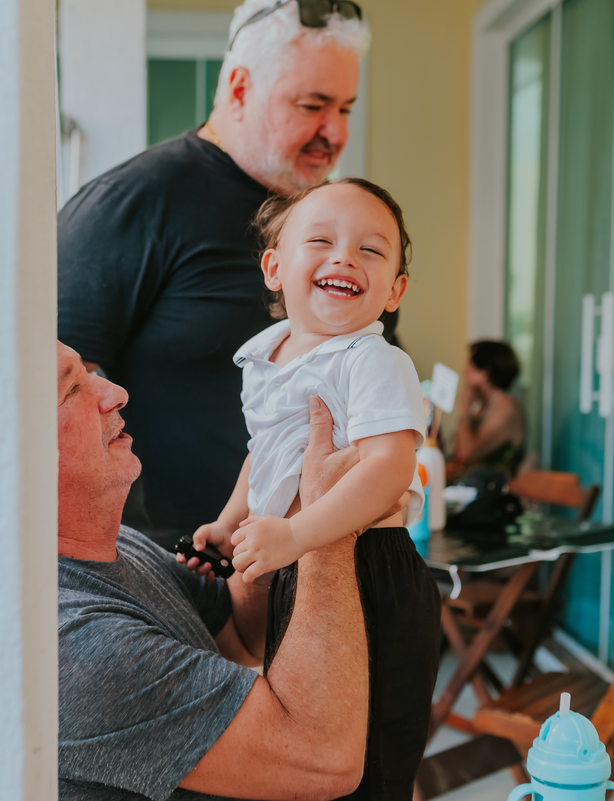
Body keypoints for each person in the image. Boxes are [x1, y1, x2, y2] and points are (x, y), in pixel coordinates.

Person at [56, 0, 393, 551]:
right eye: (312, 105)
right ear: (238, 89)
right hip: (186, 567)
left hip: (327, 559)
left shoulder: (330, 223)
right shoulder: (133, 202)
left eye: (346, 109)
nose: (332, 132)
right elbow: (57, 392)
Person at [188, 179, 441, 800]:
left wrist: (297, 532)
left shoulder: (370, 360)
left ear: (394, 291)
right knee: (305, 732)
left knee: (369, 759)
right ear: (275, 268)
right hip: (292, 565)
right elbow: (266, 451)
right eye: (321, 240)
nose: (345, 257)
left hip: (368, 571)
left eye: (371, 250)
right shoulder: (268, 355)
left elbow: (390, 468)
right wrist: (229, 521)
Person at [54, 340, 376, 801]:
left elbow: (243, 636)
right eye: (72, 389)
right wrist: (329, 526)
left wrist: (271, 530)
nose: (115, 392)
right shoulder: (75, 643)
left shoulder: (119, 543)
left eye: (93, 373)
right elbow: (322, 761)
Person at [450, 339, 526, 480]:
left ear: (485, 372)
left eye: (470, 365)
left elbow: (467, 453)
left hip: (497, 494)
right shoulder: (484, 404)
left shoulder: (505, 410)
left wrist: (464, 411)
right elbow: (458, 451)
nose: (464, 372)